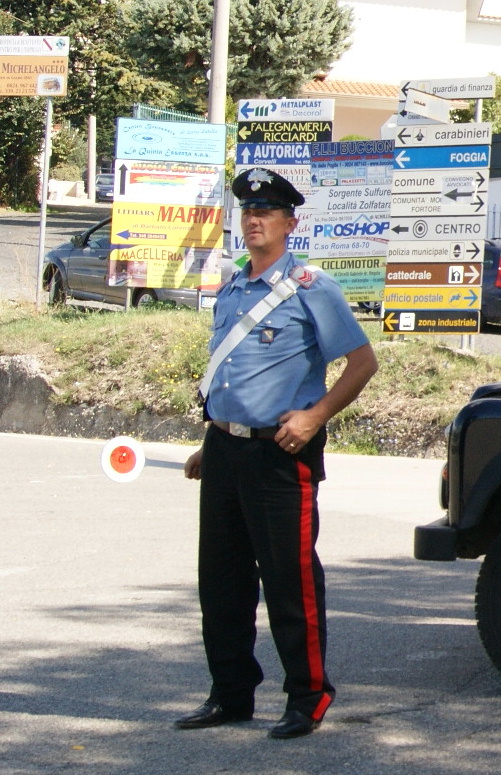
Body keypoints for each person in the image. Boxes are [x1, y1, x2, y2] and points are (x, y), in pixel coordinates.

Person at [178, 168, 377, 740]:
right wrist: (209, 440)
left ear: (291, 224)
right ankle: (231, 693)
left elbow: (362, 363)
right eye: (247, 211)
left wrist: (315, 416)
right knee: (220, 581)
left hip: (280, 455)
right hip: (226, 449)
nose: (254, 220)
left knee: (290, 582)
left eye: (266, 212)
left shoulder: (313, 287)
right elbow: (234, 375)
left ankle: (308, 696)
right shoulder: (235, 286)